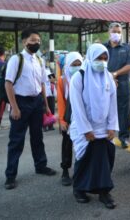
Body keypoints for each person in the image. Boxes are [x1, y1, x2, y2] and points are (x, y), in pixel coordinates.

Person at [4, 28, 56, 190]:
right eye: (33, 40)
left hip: (36, 102)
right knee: (16, 141)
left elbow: (42, 83)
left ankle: (41, 166)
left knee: (37, 136)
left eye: (39, 41)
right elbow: (8, 83)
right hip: (21, 102)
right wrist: (15, 107)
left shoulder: (38, 60)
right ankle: (10, 175)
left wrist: (46, 105)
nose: (36, 43)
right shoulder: (16, 59)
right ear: (24, 41)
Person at [69, 43, 119, 209]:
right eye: (99, 58)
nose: (102, 61)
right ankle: (79, 189)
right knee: (84, 159)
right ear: (91, 58)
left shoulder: (108, 77)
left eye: (105, 58)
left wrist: (112, 126)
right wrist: (86, 130)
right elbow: (77, 107)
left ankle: (104, 191)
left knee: (105, 158)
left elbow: (113, 103)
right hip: (85, 128)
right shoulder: (79, 78)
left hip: (104, 128)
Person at [105, 22, 130, 149]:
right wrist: (108, 76)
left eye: (118, 32)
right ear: (109, 32)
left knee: (123, 112)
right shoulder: (103, 47)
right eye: (114, 31)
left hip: (122, 85)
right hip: (105, 84)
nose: (116, 34)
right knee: (105, 109)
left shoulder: (127, 47)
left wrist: (115, 74)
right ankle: (106, 135)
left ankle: (124, 138)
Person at [56, 51, 83, 186]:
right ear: (67, 65)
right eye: (74, 64)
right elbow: (60, 101)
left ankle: (82, 172)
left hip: (82, 116)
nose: (77, 67)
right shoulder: (62, 80)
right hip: (68, 115)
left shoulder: (85, 77)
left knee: (83, 145)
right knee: (67, 144)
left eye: (79, 64)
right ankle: (65, 171)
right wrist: (62, 120)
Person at [43, 65, 56, 131]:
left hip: (51, 94)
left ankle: (50, 125)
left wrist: (52, 80)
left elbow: (53, 80)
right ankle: (44, 126)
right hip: (44, 94)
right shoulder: (42, 72)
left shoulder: (48, 71)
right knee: (44, 110)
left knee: (52, 109)